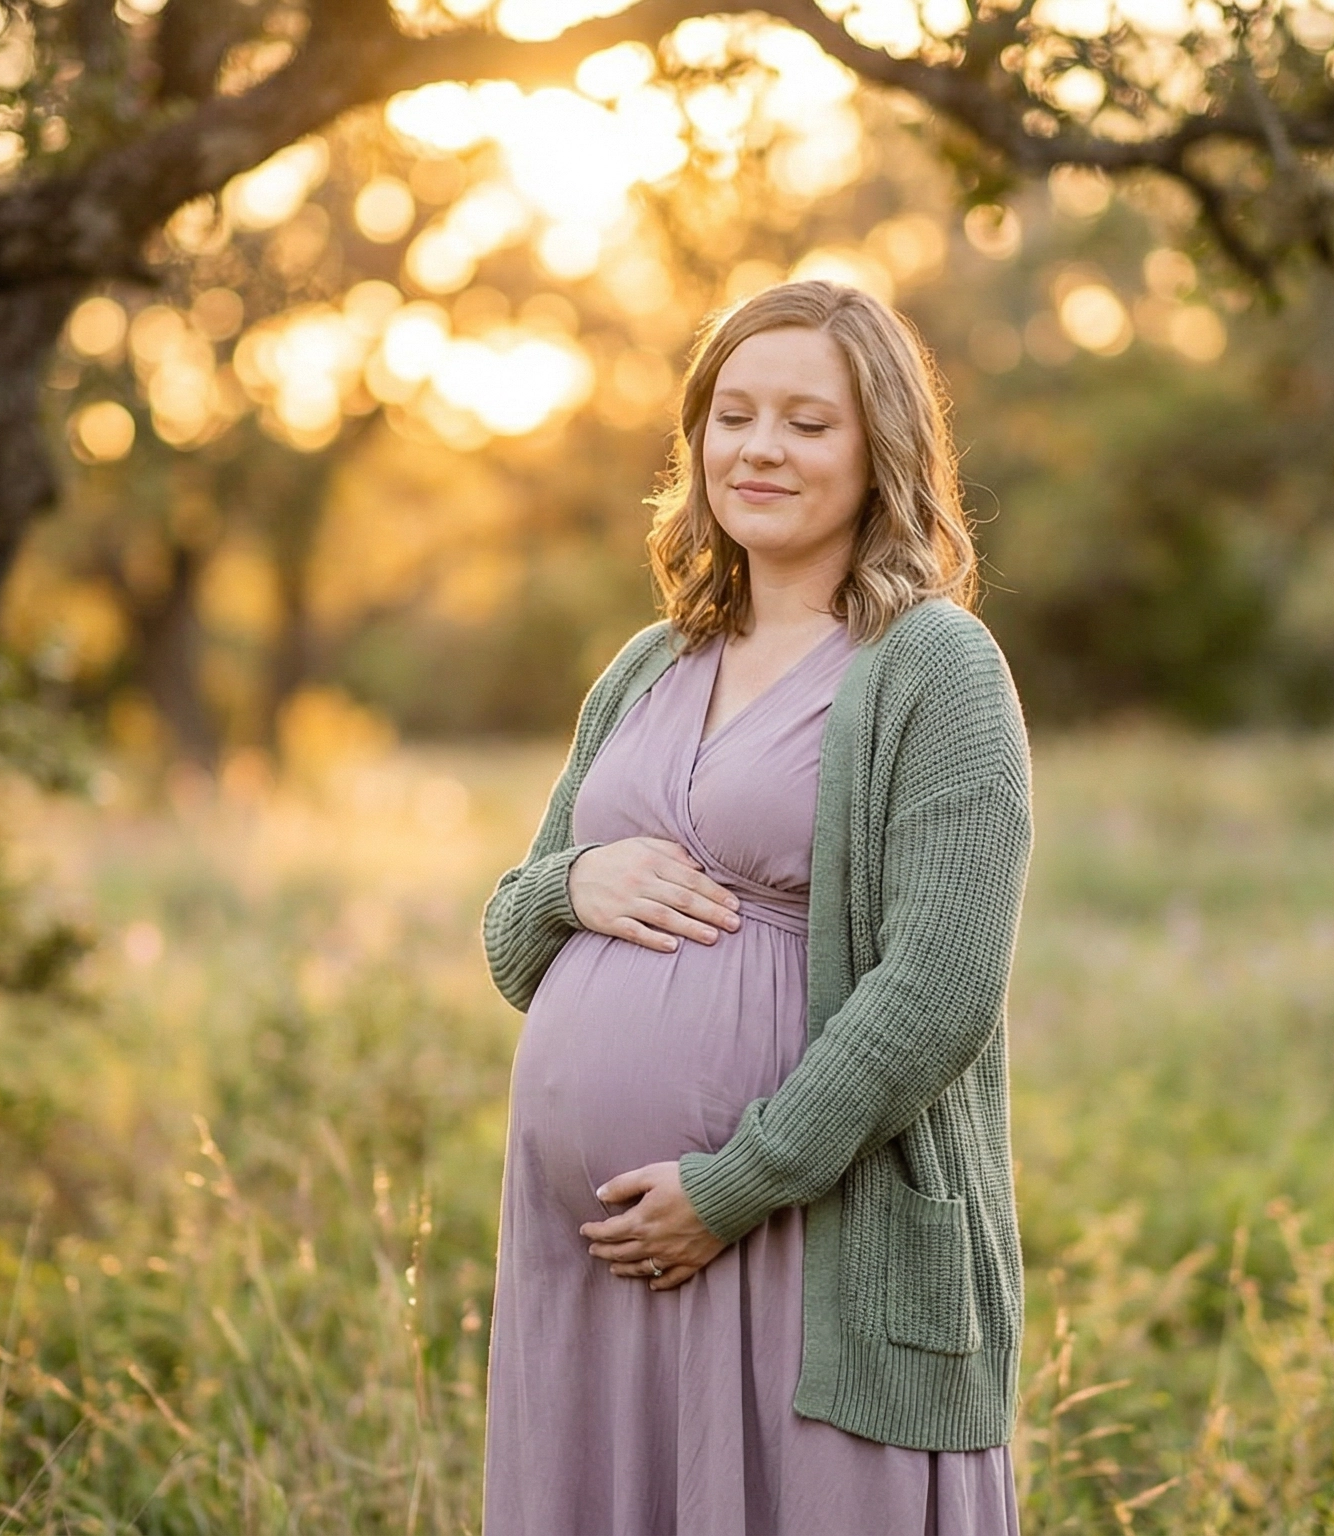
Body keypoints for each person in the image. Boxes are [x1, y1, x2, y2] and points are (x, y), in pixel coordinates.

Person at [478, 278, 1033, 1534]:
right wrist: (570, 885)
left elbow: (938, 991)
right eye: (732, 416)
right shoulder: (650, 662)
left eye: (805, 421)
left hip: (792, 1233)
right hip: (596, 1265)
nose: (759, 449)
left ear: (878, 448)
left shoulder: (932, 665)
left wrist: (732, 1187)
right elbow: (513, 940)